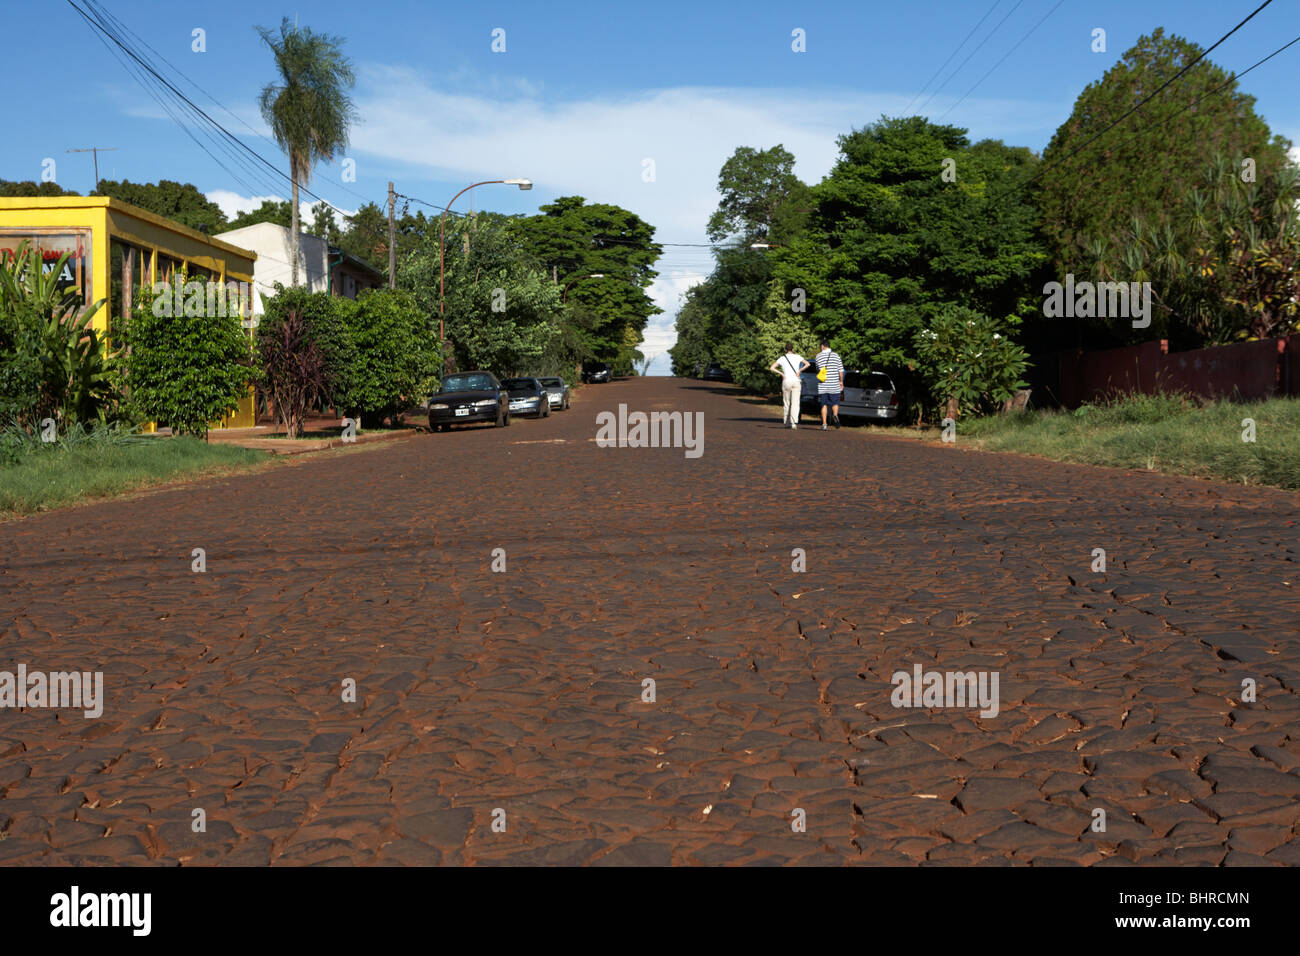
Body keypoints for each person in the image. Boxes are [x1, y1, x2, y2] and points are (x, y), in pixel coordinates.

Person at [769, 343, 809, 429]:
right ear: (793, 349)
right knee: (795, 403)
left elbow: (772, 367)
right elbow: (807, 364)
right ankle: (794, 423)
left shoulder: (782, 358)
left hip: (786, 380)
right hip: (796, 381)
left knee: (787, 403)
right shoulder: (798, 356)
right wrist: (799, 371)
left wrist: (781, 373)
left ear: (785, 350)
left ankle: (787, 423)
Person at [814, 340, 844, 430]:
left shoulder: (818, 356)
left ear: (823, 346)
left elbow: (818, 369)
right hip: (834, 383)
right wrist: (841, 381)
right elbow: (841, 370)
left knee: (824, 404)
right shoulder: (836, 355)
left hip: (823, 384)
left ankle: (824, 424)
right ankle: (835, 415)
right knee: (835, 402)